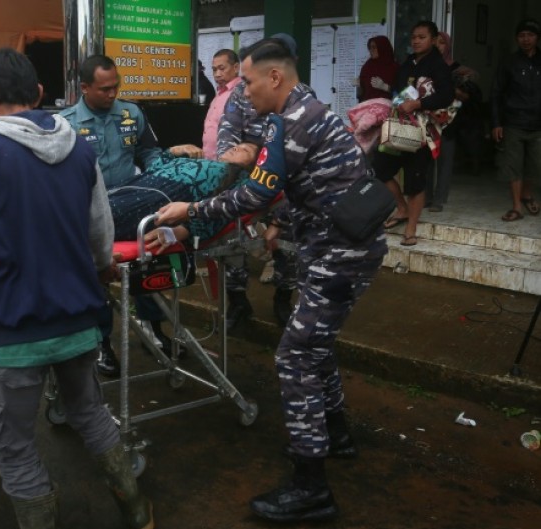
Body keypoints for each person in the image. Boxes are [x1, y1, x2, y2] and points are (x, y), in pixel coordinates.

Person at [0, 46, 153, 529]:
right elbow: (100, 238)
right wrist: (101, 269)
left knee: (13, 440)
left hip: (18, 328)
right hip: (79, 319)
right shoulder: (81, 151)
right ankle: (138, 511)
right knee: (90, 413)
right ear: (40, 93)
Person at [157, 37, 386, 522]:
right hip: (340, 244)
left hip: (342, 252)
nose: (243, 90)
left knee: (296, 353)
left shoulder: (296, 123)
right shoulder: (301, 113)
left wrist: (191, 209)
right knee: (315, 345)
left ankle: (311, 486)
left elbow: (255, 195)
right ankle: (337, 434)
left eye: (248, 80)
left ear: (275, 78)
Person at [60, 54, 203, 375]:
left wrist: (161, 174)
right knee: (95, 279)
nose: (112, 94)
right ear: (84, 87)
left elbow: (148, 152)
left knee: (146, 269)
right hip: (92, 217)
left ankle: (153, 329)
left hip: (134, 208)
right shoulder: (66, 124)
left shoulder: (131, 113)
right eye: (104, 89)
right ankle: (101, 344)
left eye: (116, 87)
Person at [213, 33, 301, 329]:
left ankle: (283, 300)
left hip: (285, 182)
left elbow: (296, 160)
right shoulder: (242, 92)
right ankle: (238, 302)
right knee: (232, 237)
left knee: (287, 241)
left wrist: (278, 220)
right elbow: (228, 128)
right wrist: (233, 158)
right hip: (245, 174)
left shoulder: (303, 99)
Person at [375, 20, 454, 246]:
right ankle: (402, 208)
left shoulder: (438, 65)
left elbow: (447, 96)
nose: (416, 41)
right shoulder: (407, 63)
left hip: (424, 132)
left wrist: (418, 103)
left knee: (415, 180)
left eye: (422, 37)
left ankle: (410, 229)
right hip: (400, 126)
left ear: (433, 39)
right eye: (413, 37)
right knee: (380, 168)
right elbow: (397, 89)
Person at [491, 18, 541, 221]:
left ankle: (527, 194)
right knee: (513, 165)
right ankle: (517, 206)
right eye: (522, 35)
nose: (526, 39)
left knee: (535, 165)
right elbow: (495, 93)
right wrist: (496, 123)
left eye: (530, 35)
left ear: (537, 37)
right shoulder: (509, 62)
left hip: (538, 124)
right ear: (517, 38)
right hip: (513, 122)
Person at [427, 32, 482, 213]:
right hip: (427, 118)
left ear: (448, 46)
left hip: (448, 120)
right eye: (435, 42)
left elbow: (468, 95)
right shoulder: (426, 65)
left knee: (445, 160)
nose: (438, 46)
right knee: (426, 160)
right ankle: (426, 197)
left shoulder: (457, 69)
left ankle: (439, 200)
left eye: (442, 43)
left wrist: (451, 90)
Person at [203, 48, 241, 161]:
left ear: (236, 68)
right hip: (210, 162)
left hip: (229, 164)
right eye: (214, 70)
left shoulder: (242, 93)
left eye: (222, 68)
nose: (217, 74)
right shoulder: (219, 94)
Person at [358, 36, 398, 102]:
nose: (371, 50)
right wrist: (359, 84)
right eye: (370, 48)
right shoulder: (367, 66)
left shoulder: (394, 67)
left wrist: (386, 87)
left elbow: (401, 91)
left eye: (374, 47)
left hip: (388, 107)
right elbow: (363, 91)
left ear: (382, 48)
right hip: (368, 107)